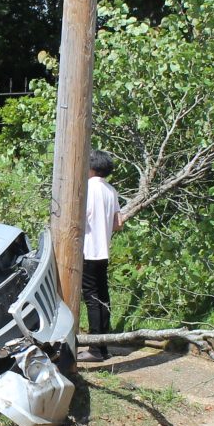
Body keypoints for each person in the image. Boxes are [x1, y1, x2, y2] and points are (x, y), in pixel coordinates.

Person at [81, 149, 126, 361]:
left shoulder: (88, 189)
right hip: (103, 251)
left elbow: (82, 218)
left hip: (87, 249)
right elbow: (118, 224)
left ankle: (95, 349)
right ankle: (103, 345)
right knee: (103, 297)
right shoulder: (111, 190)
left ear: (90, 167)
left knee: (91, 299)